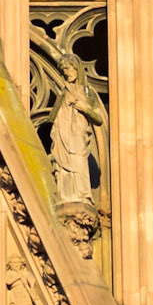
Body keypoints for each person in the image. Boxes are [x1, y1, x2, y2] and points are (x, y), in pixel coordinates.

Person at [49, 56, 105, 205]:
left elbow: (98, 118)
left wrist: (84, 107)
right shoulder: (63, 93)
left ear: (77, 68)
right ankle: (66, 196)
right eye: (63, 70)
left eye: (69, 68)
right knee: (63, 167)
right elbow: (53, 117)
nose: (67, 72)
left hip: (78, 136)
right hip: (62, 137)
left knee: (79, 164)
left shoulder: (87, 92)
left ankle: (83, 195)